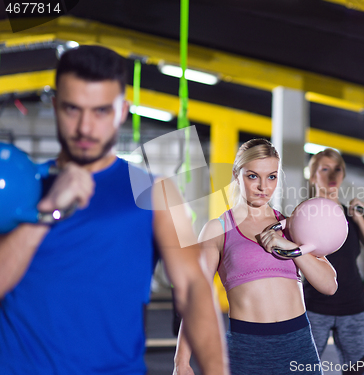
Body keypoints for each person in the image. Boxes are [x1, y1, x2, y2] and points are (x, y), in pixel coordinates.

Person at [0, 45, 228, 375]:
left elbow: (194, 288)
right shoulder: (22, 187)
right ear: (54, 106)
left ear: (122, 111)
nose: (85, 128)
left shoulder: (155, 191)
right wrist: (46, 212)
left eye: (101, 111)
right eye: (72, 109)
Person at [173, 139, 338, 375]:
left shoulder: (294, 226)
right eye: (253, 176)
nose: (263, 186)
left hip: (297, 346)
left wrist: (290, 247)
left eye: (271, 176)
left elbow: (329, 284)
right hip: (245, 349)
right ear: (236, 175)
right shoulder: (217, 229)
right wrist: (181, 362)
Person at [303, 148, 364, 374]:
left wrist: (360, 219)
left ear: (342, 175)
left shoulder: (352, 215)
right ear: (313, 177)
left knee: (357, 371)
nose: (332, 175)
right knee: (302, 370)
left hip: (353, 308)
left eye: (337, 169)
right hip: (314, 308)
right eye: (325, 169)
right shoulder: (303, 217)